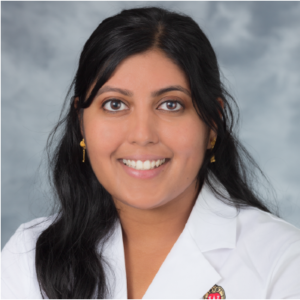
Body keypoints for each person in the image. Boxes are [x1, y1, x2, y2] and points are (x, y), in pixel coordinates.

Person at [0, 6, 300, 300]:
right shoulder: (28, 256)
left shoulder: (283, 261)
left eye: (171, 104)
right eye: (115, 104)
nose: (142, 135)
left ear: (212, 123)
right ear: (81, 123)